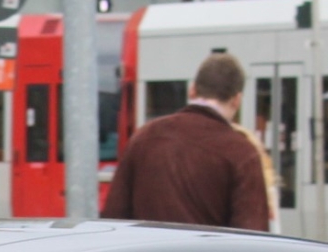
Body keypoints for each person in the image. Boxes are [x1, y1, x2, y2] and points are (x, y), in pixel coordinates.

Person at [102, 52, 271, 231]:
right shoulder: (241, 152)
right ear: (237, 100)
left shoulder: (144, 137)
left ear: (192, 90)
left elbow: (114, 220)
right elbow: (252, 236)